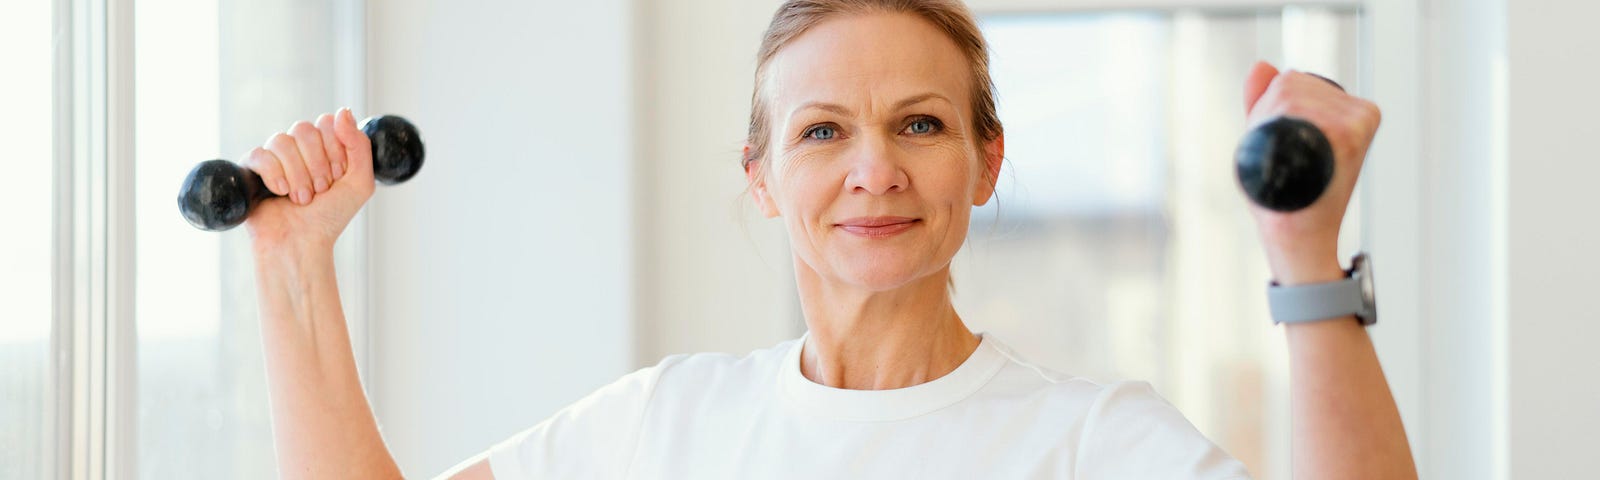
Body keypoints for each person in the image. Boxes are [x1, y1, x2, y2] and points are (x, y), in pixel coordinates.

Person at [243, 1, 1416, 478]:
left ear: (984, 161)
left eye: (919, 122)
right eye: (820, 130)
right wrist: (294, 263)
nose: (875, 170)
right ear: (760, 178)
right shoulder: (667, 426)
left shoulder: (1089, 441)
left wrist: (1302, 255)